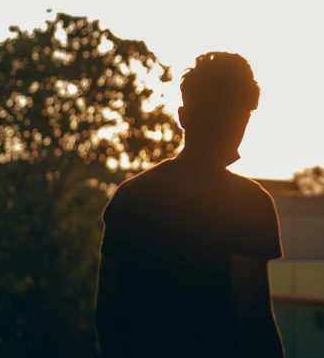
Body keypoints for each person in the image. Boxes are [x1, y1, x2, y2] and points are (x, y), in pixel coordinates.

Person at [95, 52, 285, 358]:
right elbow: (255, 323)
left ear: (183, 116)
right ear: (243, 119)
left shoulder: (130, 196)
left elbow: (107, 313)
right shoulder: (249, 204)